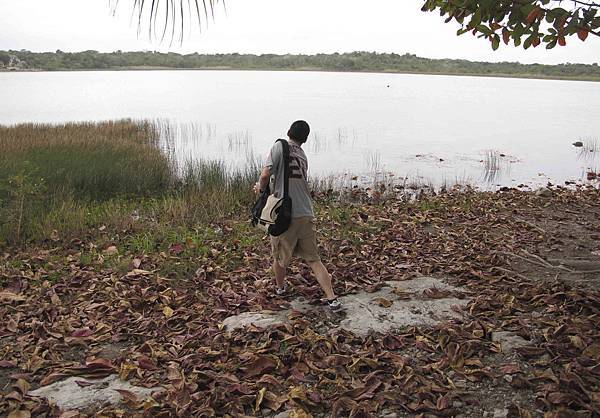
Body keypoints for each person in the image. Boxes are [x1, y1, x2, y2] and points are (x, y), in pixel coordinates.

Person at [254, 120, 342, 311]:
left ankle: (280, 288)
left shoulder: (279, 146)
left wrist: (260, 188)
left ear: (288, 131)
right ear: (305, 139)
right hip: (306, 213)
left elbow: (265, 174)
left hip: (286, 214)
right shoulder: (302, 155)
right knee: (313, 259)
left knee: (279, 258)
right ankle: (332, 298)